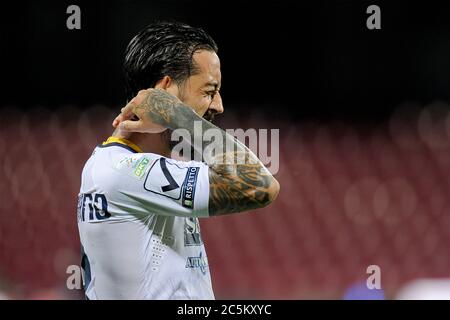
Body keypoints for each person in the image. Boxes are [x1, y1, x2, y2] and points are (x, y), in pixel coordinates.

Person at [77, 21, 280, 300]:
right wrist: (176, 114)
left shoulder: (121, 166)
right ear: (165, 92)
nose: (219, 105)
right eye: (209, 91)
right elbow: (259, 186)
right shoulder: (122, 171)